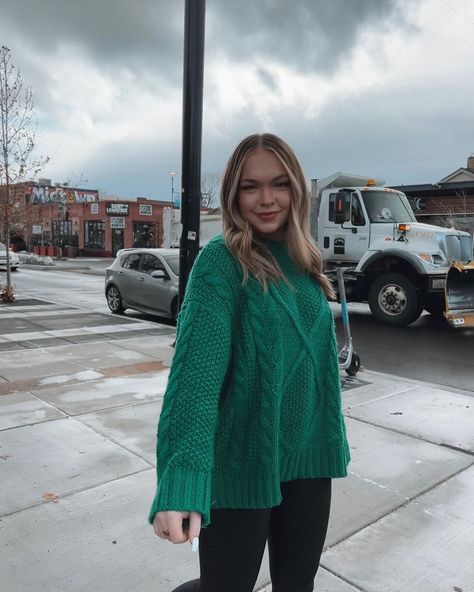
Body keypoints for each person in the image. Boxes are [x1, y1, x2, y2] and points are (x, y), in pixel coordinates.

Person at [149, 133, 350, 592]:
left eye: (279, 184)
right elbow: (195, 383)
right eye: (250, 186)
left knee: (297, 586)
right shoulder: (220, 264)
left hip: (309, 459)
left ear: (297, 188)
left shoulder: (305, 258)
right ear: (233, 195)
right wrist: (181, 481)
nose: (266, 199)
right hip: (242, 460)